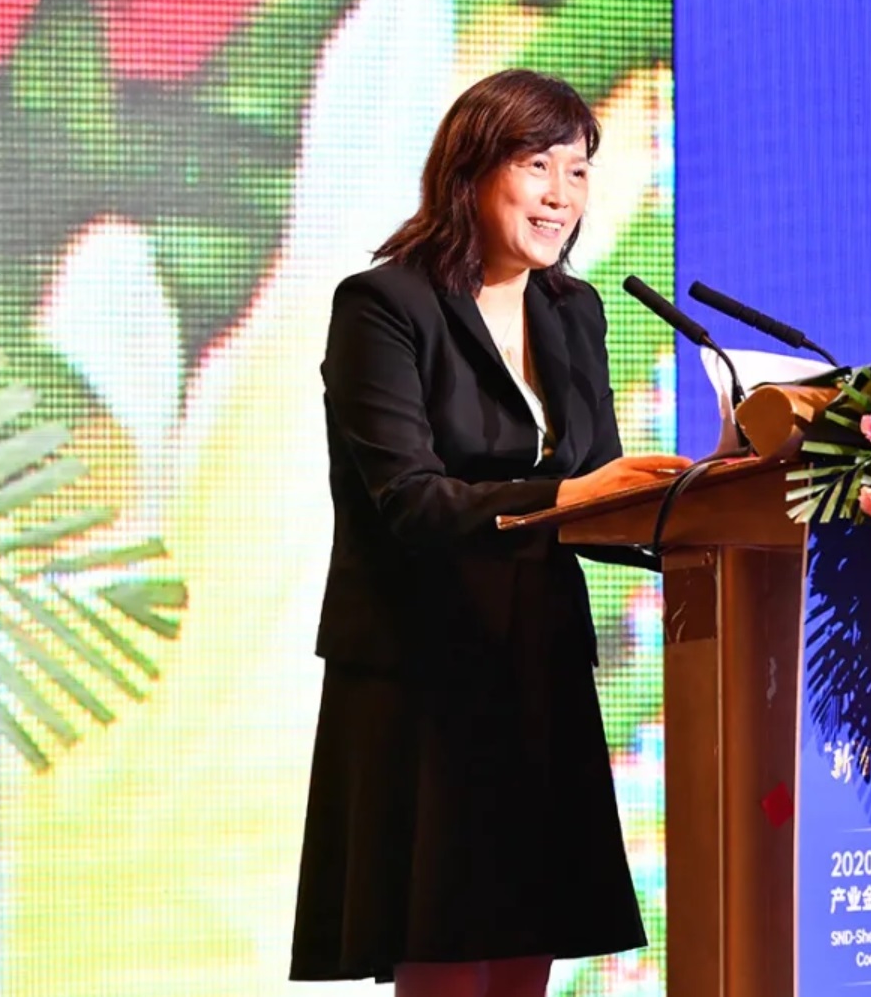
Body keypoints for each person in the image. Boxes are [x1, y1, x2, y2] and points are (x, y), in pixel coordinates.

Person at [289, 68, 690, 997]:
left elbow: (597, 494)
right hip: (424, 675)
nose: (562, 195)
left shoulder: (573, 310)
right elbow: (411, 503)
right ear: (470, 170)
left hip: (539, 667)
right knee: (443, 950)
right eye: (537, 165)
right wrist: (574, 494)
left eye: (579, 171)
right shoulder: (383, 306)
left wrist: (695, 507)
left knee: (525, 950)